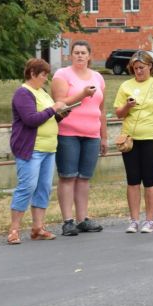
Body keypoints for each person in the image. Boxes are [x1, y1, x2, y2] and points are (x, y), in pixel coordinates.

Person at [7, 58, 72, 245]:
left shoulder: (42, 92)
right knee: (27, 186)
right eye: (43, 75)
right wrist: (53, 108)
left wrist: (60, 115)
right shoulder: (23, 93)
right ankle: (14, 230)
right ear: (32, 73)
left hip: (49, 148)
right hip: (31, 149)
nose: (45, 79)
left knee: (43, 187)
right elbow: (31, 120)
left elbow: (47, 118)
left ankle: (38, 228)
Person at [114, 50, 153, 233]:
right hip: (130, 139)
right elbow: (119, 113)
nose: (138, 71)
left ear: (150, 66)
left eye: (141, 67)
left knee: (149, 178)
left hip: (152, 137)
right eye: (135, 68)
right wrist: (127, 105)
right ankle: (134, 220)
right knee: (132, 179)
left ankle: (150, 220)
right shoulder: (125, 85)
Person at [51, 41, 107, 236]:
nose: (80, 56)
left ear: (89, 56)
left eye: (83, 53)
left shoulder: (98, 77)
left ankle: (83, 219)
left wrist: (104, 136)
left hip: (92, 134)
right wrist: (82, 94)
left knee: (84, 178)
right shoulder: (62, 75)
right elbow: (59, 103)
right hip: (68, 133)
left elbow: (101, 109)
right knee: (68, 177)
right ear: (70, 55)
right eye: (76, 53)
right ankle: (68, 221)